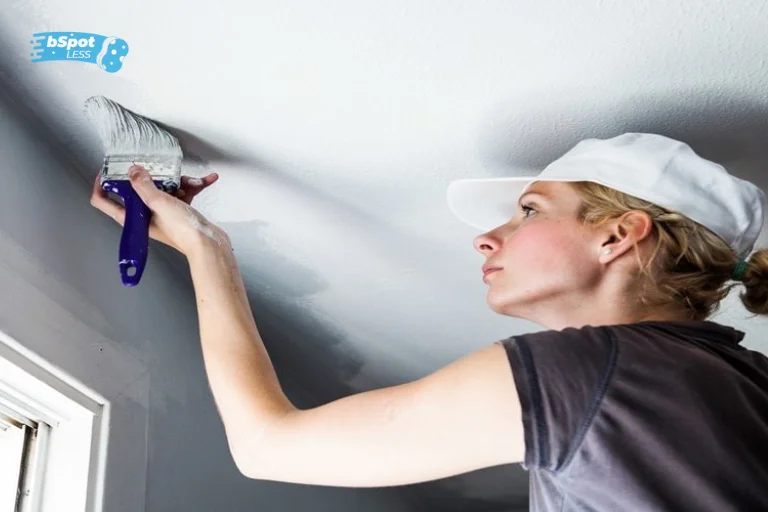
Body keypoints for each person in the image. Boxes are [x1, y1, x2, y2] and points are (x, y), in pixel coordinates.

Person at [90, 132, 768, 511]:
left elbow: (268, 445)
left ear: (620, 235)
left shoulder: (591, 373)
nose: (487, 239)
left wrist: (206, 247)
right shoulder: (745, 379)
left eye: (529, 210)